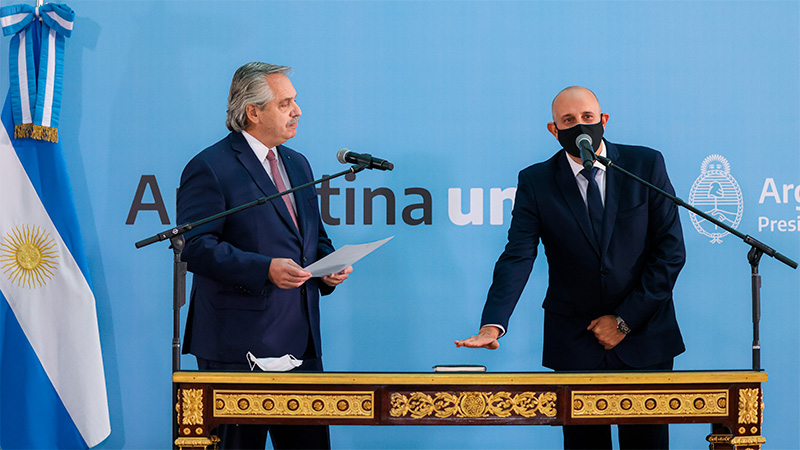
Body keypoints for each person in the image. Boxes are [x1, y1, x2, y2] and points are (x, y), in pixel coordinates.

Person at [455, 86, 686, 450]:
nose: (580, 126)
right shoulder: (536, 181)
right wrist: (493, 323)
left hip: (644, 336)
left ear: (603, 120)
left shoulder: (645, 165)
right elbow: (518, 255)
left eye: (587, 117)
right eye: (568, 120)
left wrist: (624, 320)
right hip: (576, 341)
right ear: (554, 129)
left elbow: (670, 252)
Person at [177, 62, 352, 450]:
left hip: (300, 343)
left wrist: (328, 266)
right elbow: (196, 246)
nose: (297, 111)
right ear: (253, 112)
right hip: (237, 346)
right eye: (285, 103)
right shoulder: (210, 167)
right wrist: (265, 269)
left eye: (295, 101)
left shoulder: (297, 163)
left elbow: (314, 238)